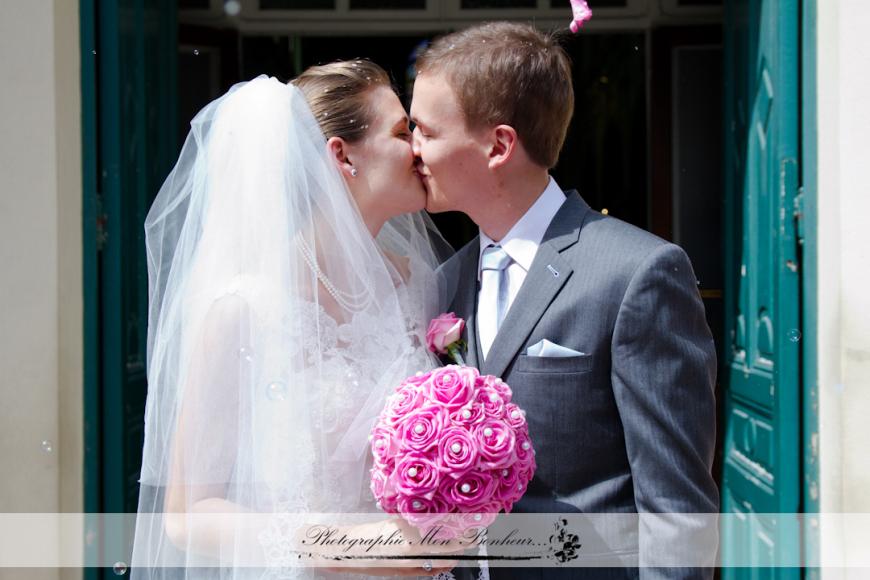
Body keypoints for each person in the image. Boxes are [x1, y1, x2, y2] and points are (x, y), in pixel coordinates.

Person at [410, 22, 719, 579]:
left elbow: (677, 512)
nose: (412, 150)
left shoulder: (636, 273)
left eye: (425, 131)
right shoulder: (445, 281)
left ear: (499, 146)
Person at [131, 61, 456, 579]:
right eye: (401, 132)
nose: (419, 147)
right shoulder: (245, 310)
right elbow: (188, 516)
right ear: (342, 156)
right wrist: (341, 545)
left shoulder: (420, 285)